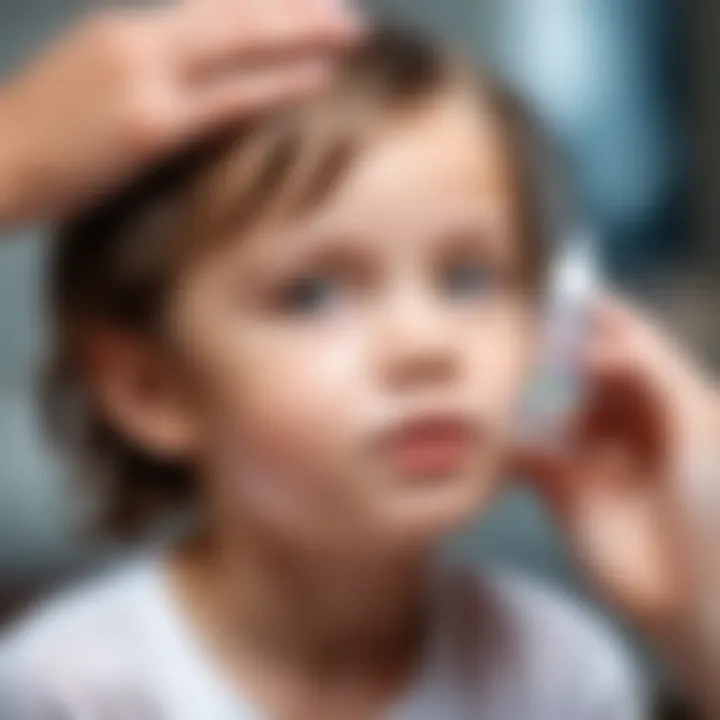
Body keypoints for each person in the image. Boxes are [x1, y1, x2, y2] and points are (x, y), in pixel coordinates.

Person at [0, 3, 717, 718]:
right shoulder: (75, 688)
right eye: (312, 295)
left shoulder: (563, 671)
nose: (425, 347)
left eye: (468, 279)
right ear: (151, 389)